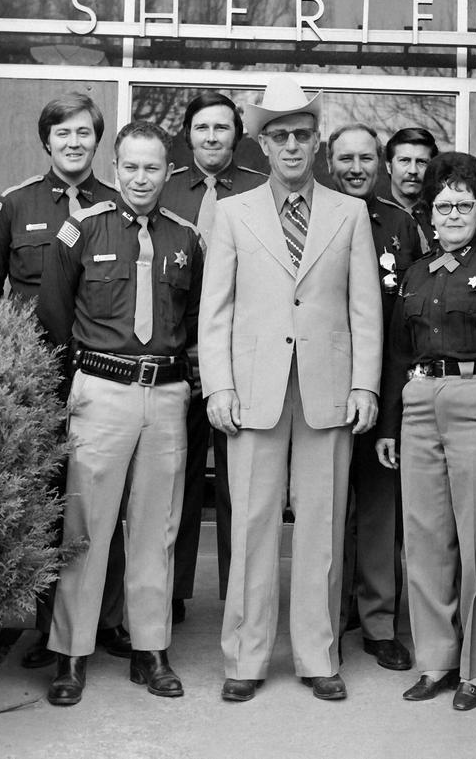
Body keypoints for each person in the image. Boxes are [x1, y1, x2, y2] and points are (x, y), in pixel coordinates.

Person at [199, 75, 382, 704]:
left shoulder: (350, 213)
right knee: (250, 524)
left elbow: (366, 310)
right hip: (252, 391)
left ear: (317, 141)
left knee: (323, 525)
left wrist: (366, 385)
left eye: (304, 134)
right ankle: (246, 659)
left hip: (327, 390)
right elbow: (215, 311)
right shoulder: (231, 213)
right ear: (263, 144)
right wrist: (216, 386)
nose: (294, 146)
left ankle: (316, 655)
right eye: (281, 136)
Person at [37, 120, 203, 706]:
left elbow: (195, 323)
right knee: (85, 528)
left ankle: (150, 649)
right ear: (115, 166)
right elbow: (53, 317)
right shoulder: (81, 229)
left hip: (164, 395)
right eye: (130, 166)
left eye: (152, 167)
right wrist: (68, 395)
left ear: (167, 171)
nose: (140, 178)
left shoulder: (186, 238)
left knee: (157, 529)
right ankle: (71, 654)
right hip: (100, 392)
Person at [0, 91, 129, 669]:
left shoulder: (117, 205)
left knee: (104, 499)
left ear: (97, 138)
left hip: (102, 375)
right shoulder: (13, 205)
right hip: (36, 377)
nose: (74, 142)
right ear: (47, 141)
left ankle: (107, 621)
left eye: (84, 132)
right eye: (63, 133)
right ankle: (45, 627)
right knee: (45, 499)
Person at [378, 151, 476, 711]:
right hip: (419, 404)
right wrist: (391, 425)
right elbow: (399, 352)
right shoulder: (416, 273)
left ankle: (475, 668)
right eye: (443, 205)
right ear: (430, 212)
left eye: (463, 204)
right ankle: (436, 662)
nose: (452, 214)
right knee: (424, 541)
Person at [160, 91, 266, 624]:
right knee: (176, 477)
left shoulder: (260, 190)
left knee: (236, 483)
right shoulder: (166, 186)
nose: (212, 137)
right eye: (202, 127)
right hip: (176, 357)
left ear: (237, 134)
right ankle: (173, 593)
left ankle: (237, 592)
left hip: (238, 360)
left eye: (222, 128)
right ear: (188, 133)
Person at [327, 123, 422, 672]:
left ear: (379, 164)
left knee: (381, 512)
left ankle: (380, 623)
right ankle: (330, 613)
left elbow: (411, 315)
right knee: (328, 509)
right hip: (322, 387)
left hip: (384, 386)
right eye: (346, 158)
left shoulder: (401, 225)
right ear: (329, 162)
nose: (356, 167)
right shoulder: (310, 216)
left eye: (366, 157)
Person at [385, 127, 438, 253]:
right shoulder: (373, 217)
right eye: (404, 160)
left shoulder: (443, 217)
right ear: (389, 167)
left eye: (422, 162)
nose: (413, 170)